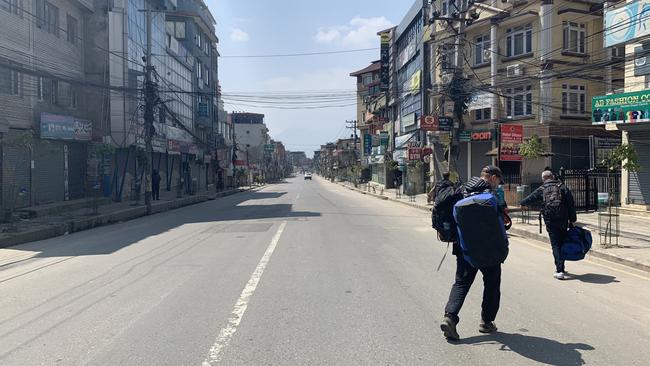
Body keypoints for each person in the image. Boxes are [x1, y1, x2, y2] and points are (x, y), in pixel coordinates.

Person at [441, 165, 506, 341]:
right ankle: (486, 322)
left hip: (464, 248)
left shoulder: (460, 190)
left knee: (461, 283)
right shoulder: (492, 195)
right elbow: (503, 220)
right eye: (498, 181)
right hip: (489, 250)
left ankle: (450, 317)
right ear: (492, 177)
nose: (498, 185)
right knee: (492, 285)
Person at [520, 170, 577, 280]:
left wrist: (522, 203)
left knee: (555, 244)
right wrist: (573, 220)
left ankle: (559, 270)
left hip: (550, 221)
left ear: (543, 179)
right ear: (553, 176)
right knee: (562, 242)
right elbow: (571, 204)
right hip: (563, 220)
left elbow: (529, 198)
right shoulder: (562, 187)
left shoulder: (542, 189)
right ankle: (562, 267)